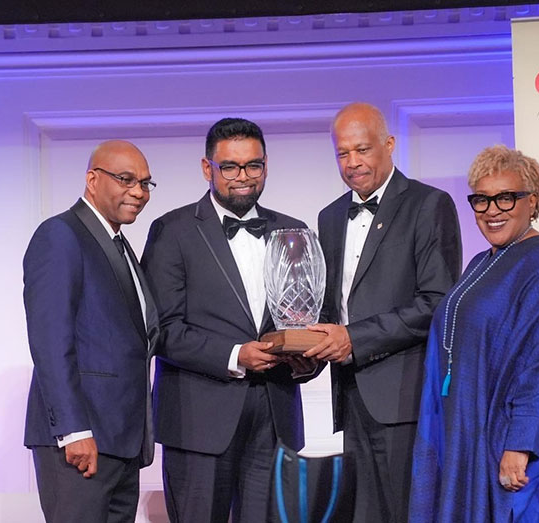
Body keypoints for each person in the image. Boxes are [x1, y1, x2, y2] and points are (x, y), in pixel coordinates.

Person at [410, 144, 539, 522]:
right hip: (468, 431)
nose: (492, 210)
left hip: (508, 443)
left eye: (506, 198)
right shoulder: (482, 262)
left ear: (533, 201)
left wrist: (521, 444)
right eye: (482, 200)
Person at [141, 118, 318, 522]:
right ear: (208, 169)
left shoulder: (293, 230)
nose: (243, 177)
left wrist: (309, 360)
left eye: (253, 165)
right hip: (199, 418)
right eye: (230, 167)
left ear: (266, 166)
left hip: (275, 414)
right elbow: (161, 330)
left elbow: (310, 316)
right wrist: (236, 355)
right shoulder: (173, 230)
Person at [304, 102, 462, 522]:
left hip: (405, 399)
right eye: (343, 153)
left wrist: (355, 339)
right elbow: (331, 304)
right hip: (352, 397)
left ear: (389, 145)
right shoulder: (330, 217)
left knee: (408, 512)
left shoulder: (429, 205)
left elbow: (437, 303)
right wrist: (300, 339)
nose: (353, 163)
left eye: (363, 149)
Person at [23, 140, 159, 523]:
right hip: (81, 441)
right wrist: (73, 430)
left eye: (146, 183)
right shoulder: (60, 235)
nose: (139, 192)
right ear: (92, 179)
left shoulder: (120, 245)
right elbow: (50, 341)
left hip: (121, 441)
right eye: (126, 179)